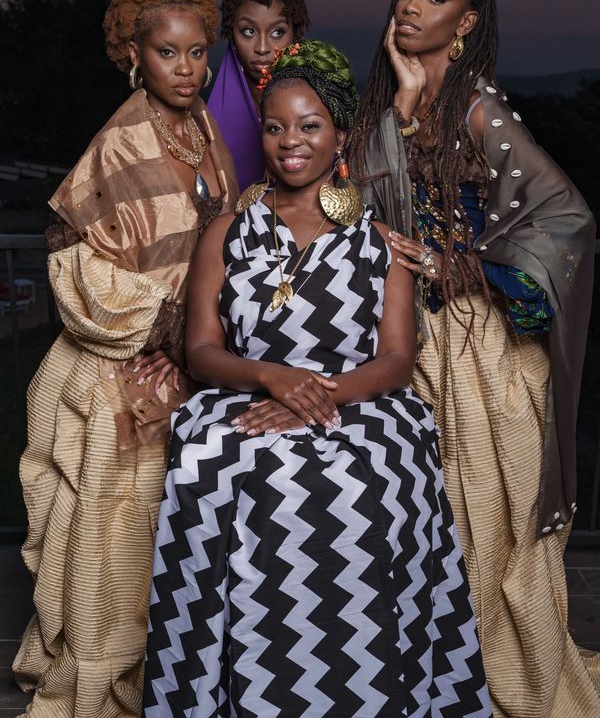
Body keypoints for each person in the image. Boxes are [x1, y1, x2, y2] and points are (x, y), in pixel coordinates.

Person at [143, 39, 491, 718]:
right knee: (216, 462)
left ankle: (364, 691)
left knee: (369, 478)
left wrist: (318, 395)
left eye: (308, 126)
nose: (288, 143)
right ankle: (242, 693)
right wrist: (274, 378)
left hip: (358, 401)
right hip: (244, 393)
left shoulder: (376, 237)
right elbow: (203, 351)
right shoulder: (226, 233)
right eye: (274, 127)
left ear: (338, 136)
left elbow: (395, 358)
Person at [350, 0, 599, 718]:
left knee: (490, 529)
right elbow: (360, 206)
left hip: (485, 354)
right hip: (411, 347)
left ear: (467, 21)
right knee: (429, 527)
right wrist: (397, 97)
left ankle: (501, 683)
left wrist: (462, 267)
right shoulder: (398, 102)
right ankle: (439, 683)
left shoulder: (480, 106)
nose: (409, 6)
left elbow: (566, 217)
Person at [12, 0, 238, 718]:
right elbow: (75, 263)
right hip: (124, 369)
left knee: (172, 543)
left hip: (189, 366)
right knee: (118, 547)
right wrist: (173, 323)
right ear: (135, 57)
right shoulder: (120, 142)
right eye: (168, 53)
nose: (185, 67)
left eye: (198, 51)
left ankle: (170, 679)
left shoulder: (204, 128)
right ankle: (105, 682)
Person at [208, 0, 310, 191]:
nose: (263, 47)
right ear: (231, 34)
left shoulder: (321, 106)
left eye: (277, 32)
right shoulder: (206, 124)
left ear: (294, 34)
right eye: (249, 31)